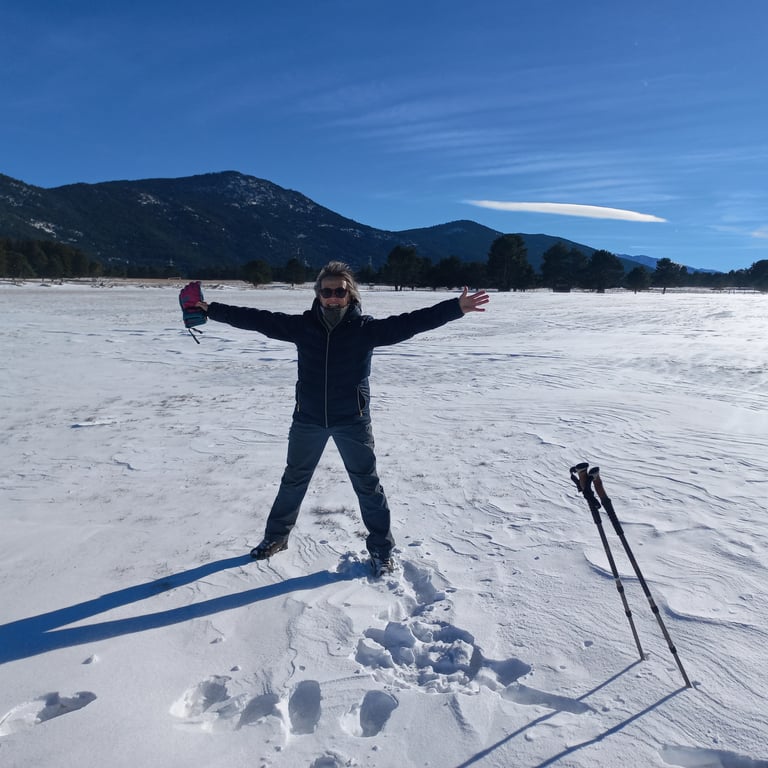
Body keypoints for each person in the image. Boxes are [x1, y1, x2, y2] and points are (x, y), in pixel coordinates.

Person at [187, 261, 489, 573]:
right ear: (318, 294)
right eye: (327, 290)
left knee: (367, 485)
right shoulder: (303, 327)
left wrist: (455, 308)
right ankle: (276, 537)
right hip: (308, 418)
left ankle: (382, 550)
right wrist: (212, 309)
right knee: (294, 480)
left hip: (352, 420)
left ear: (350, 294)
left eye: (339, 291)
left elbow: (412, 322)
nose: (333, 296)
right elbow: (257, 319)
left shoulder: (366, 330)